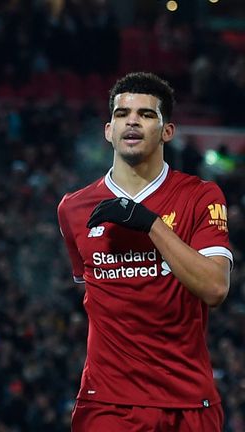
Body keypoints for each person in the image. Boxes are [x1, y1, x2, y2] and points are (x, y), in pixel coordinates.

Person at [57, 72, 232, 431]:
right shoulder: (72, 209)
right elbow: (90, 289)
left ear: (167, 131)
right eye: (122, 114)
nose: (132, 120)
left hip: (187, 401)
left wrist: (150, 223)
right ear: (108, 130)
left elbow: (215, 288)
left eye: (147, 114)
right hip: (107, 403)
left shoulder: (200, 196)